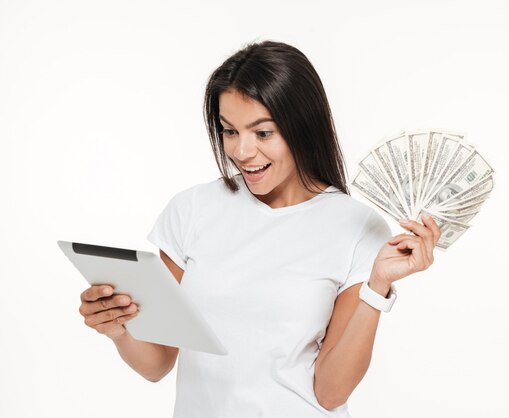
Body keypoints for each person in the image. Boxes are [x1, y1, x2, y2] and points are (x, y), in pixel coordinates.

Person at [78, 40, 441, 417]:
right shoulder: (192, 210)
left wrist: (377, 286)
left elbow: (331, 392)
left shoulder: (356, 227)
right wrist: (117, 328)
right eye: (229, 130)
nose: (241, 151)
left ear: (302, 126)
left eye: (262, 133)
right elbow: (157, 363)